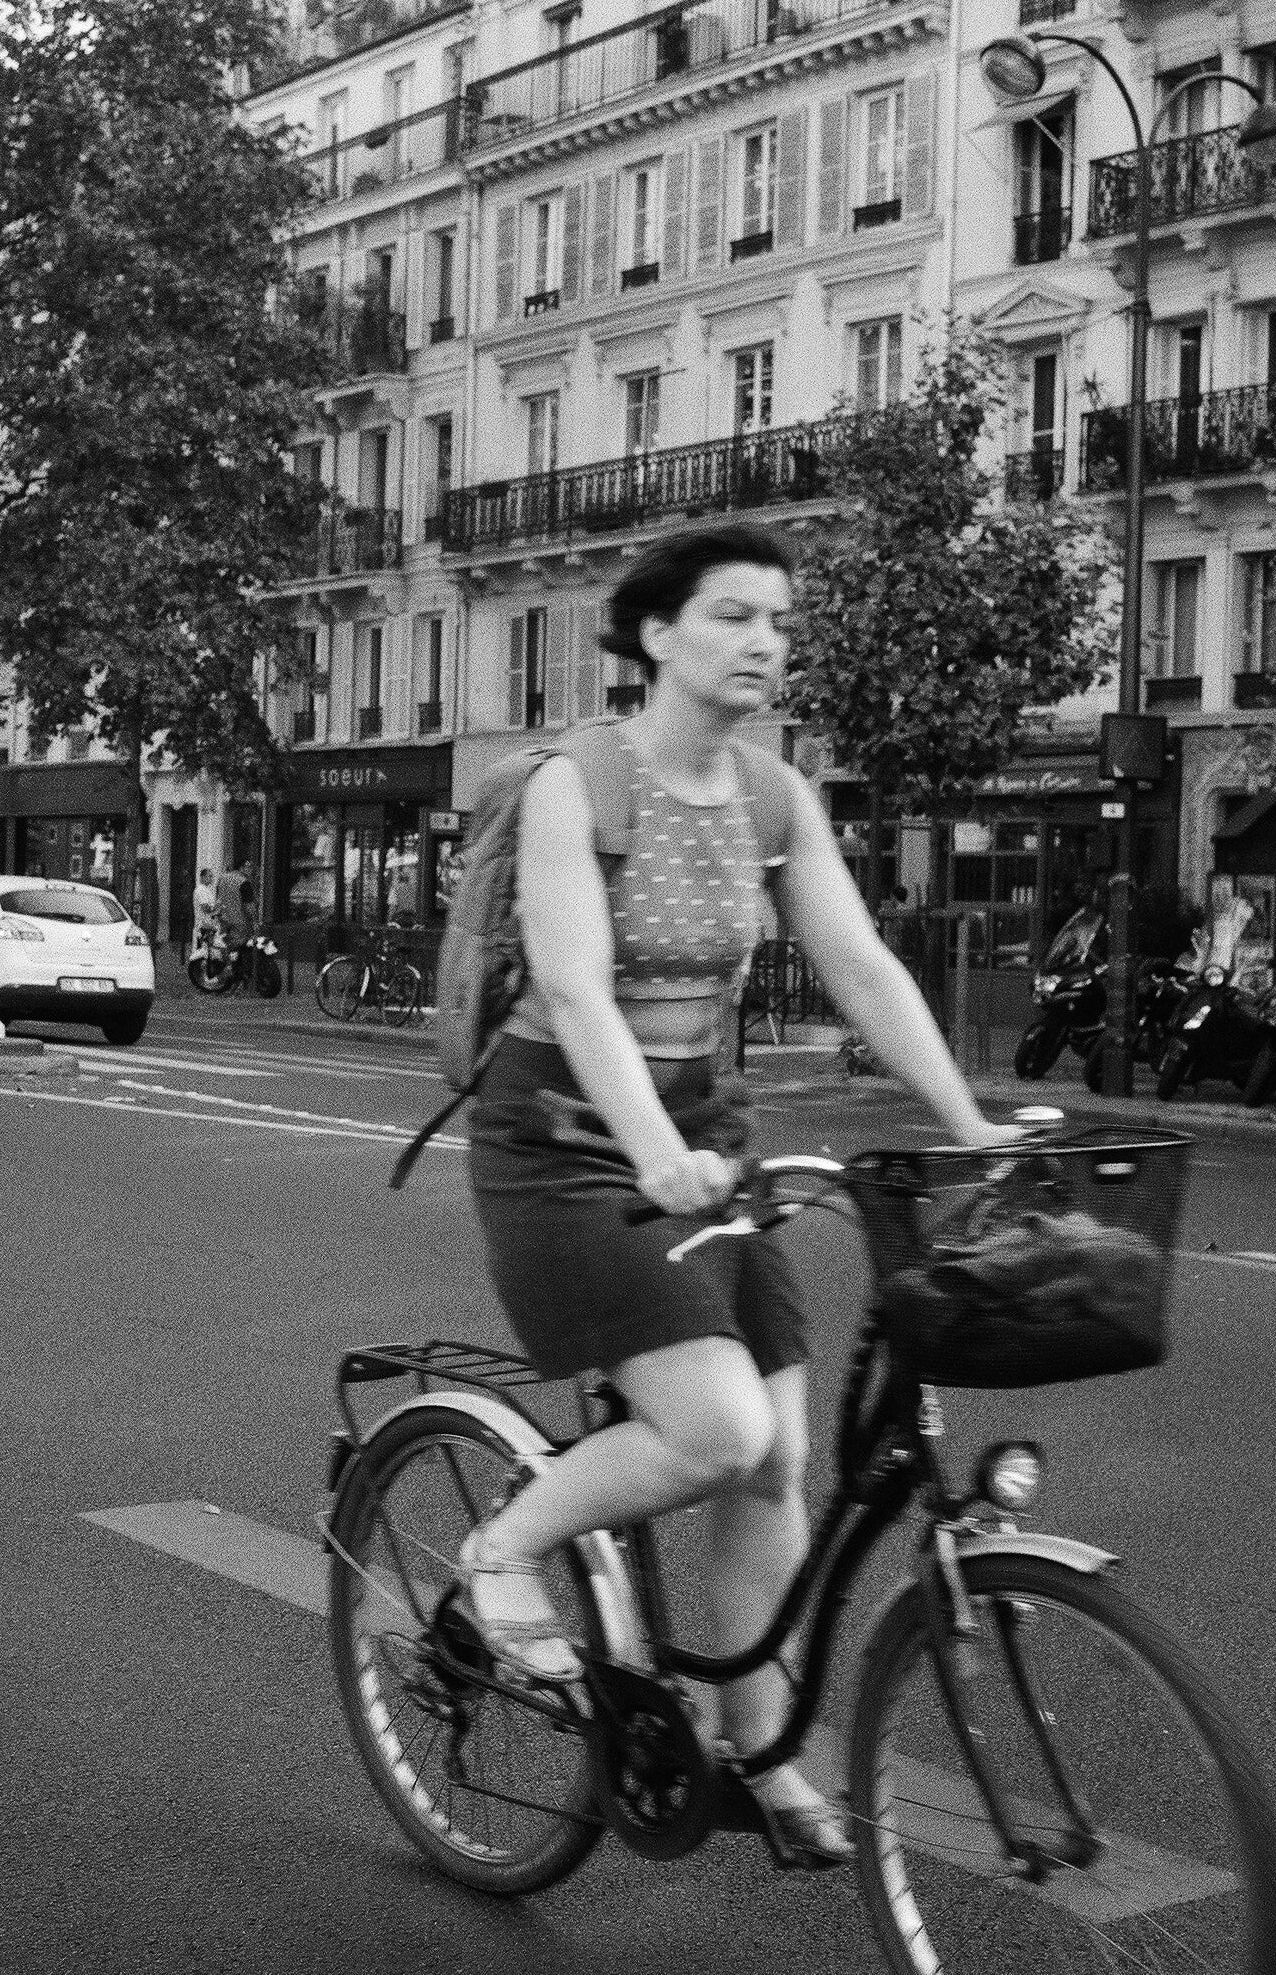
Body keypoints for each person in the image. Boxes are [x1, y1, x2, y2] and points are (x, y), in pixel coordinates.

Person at [460, 522, 1022, 1866]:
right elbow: (580, 988)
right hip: (561, 1142)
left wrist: (972, 1129)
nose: (764, 640)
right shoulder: (578, 784)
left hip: (707, 1137)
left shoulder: (775, 798)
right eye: (732, 615)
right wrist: (647, 1145)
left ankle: (755, 1747)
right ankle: (501, 1556)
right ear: (657, 635)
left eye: (777, 618)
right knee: (712, 1429)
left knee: (778, 1452)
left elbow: (864, 968)